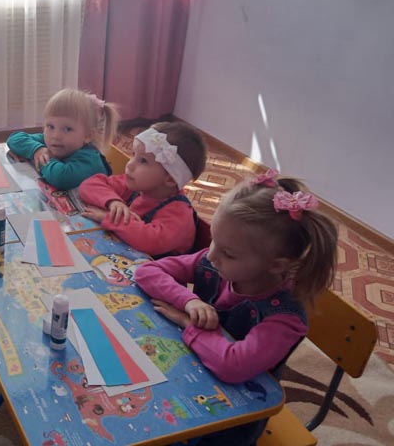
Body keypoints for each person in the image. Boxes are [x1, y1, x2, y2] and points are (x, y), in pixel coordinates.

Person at [134, 171, 338, 446]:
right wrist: (189, 301)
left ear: (276, 265)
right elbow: (147, 272)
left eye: (228, 253)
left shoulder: (285, 318)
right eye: (214, 240)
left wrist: (189, 323)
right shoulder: (215, 262)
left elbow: (233, 365)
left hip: (228, 423)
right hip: (189, 371)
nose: (211, 255)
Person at [79, 122, 207, 257]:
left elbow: (149, 240)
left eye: (143, 161)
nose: (130, 164)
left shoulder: (179, 215)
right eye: (134, 155)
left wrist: (110, 218)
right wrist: (113, 202)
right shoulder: (136, 185)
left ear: (170, 179)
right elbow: (89, 185)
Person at [6, 88, 119, 191]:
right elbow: (15, 139)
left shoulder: (90, 160)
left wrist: (42, 159)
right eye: (50, 126)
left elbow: (61, 177)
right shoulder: (52, 141)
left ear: (87, 136)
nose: (56, 135)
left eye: (67, 129)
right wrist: (37, 150)